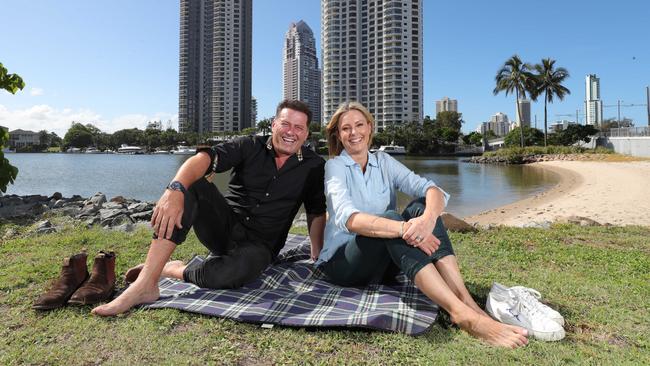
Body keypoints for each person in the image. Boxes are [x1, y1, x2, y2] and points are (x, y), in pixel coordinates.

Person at [315, 102, 528, 348]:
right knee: (393, 218)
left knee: (420, 205)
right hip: (344, 264)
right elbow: (348, 218)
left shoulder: (383, 161)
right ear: (338, 135)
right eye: (346, 128)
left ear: (370, 128)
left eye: (359, 125)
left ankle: (466, 301)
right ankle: (460, 313)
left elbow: (431, 189)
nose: (354, 133)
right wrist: (406, 230)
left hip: (384, 264)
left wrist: (425, 222)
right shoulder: (335, 166)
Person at [93, 100, 326, 316]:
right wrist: (174, 189)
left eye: (298, 127)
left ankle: (175, 270)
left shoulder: (314, 165)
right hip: (224, 228)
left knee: (235, 272)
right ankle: (145, 284)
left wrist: (316, 251)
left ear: (306, 133)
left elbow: (316, 210)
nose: (290, 132)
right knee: (192, 183)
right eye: (285, 124)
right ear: (274, 124)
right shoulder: (249, 145)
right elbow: (206, 157)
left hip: (261, 246)